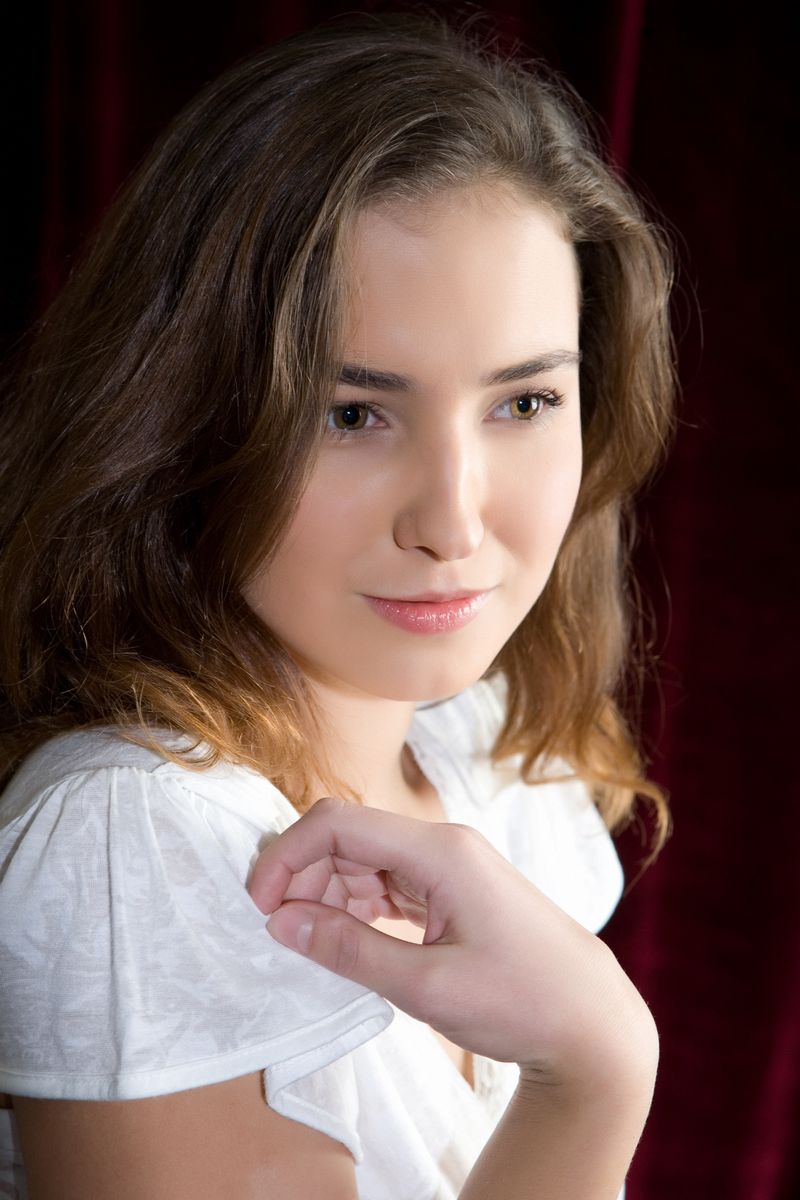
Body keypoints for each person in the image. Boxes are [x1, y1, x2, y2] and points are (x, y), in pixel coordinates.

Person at [0, 11, 674, 1198]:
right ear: (184, 421)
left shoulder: (487, 751)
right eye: (351, 414)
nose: (452, 523)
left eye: (522, 404)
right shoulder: (132, 842)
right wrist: (594, 1076)